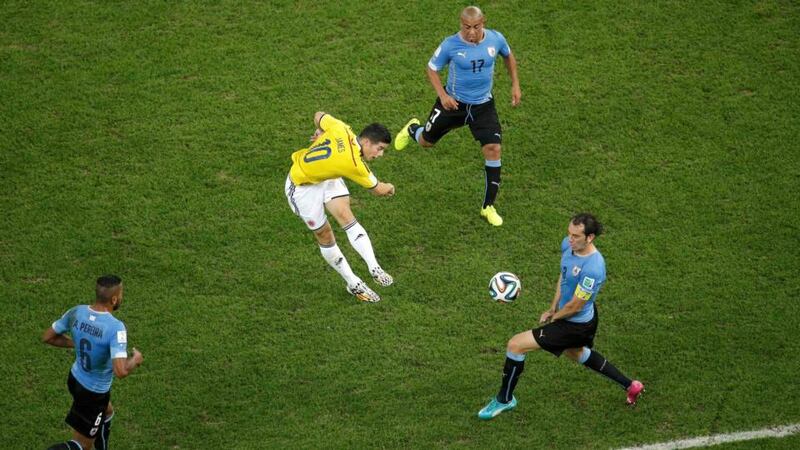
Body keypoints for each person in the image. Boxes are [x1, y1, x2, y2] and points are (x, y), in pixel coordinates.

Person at [477, 213, 644, 420]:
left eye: (576, 236)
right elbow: (564, 276)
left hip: (574, 324)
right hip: (573, 318)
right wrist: (553, 306)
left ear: (590, 237)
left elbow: (575, 305)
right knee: (578, 354)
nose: (570, 239)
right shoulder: (569, 246)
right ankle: (631, 385)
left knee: (515, 345)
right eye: (569, 234)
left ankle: (504, 400)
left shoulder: (594, 268)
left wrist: (555, 317)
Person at [394, 5, 521, 227]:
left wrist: (515, 85)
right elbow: (432, 69)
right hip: (453, 104)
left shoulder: (496, 39)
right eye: (466, 27)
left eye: (476, 27)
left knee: (494, 149)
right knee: (426, 143)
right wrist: (442, 96)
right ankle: (413, 129)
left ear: (484, 22)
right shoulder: (450, 45)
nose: (471, 32)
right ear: (460, 24)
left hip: (483, 106)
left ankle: (488, 206)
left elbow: (508, 56)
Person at [285, 111, 395, 303]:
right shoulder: (354, 164)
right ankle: (353, 282)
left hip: (327, 175)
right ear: (367, 142)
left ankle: (373, 267)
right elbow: (379, 190)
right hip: (302, 187)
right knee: (324, 234)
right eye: (379, 148)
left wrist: (321, 132)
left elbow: (318, 115)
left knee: (345, 214)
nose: (380, 154)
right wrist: (391, 187)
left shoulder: (341, 128)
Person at [44, 275, 143, 450]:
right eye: (121, 295)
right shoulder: (116, 327)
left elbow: (48, 337)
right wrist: (135, 359)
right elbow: (120, 371)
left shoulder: (76, 312)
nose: (121, 298)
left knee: (108, 411)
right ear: (114, 299)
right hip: (94, 393)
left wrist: (75, 343)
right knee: (82, 445)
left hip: (74, 380)